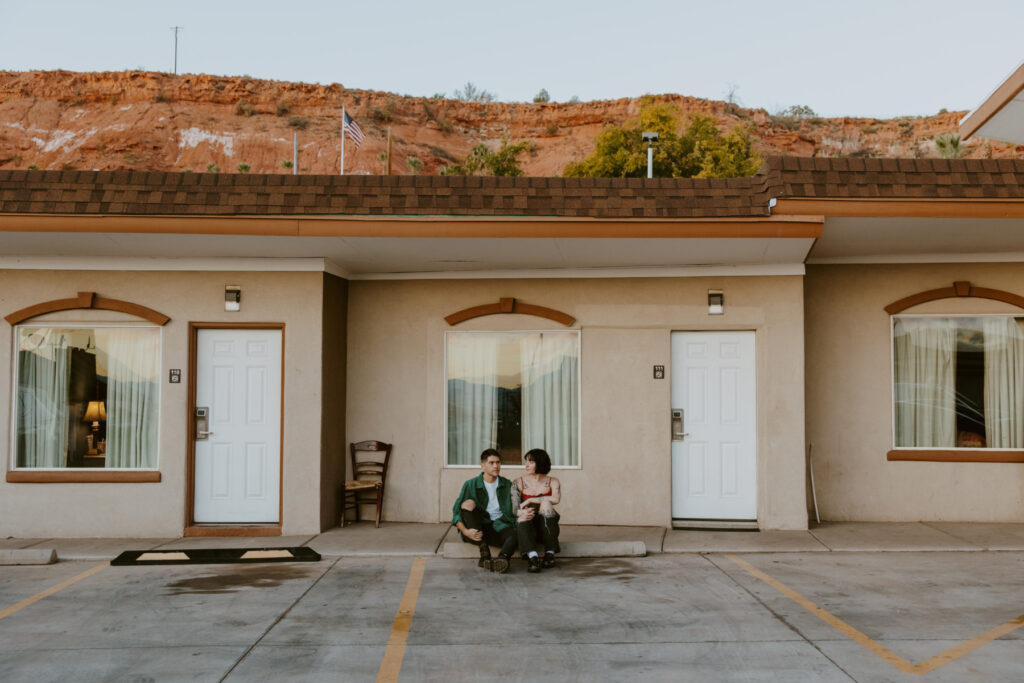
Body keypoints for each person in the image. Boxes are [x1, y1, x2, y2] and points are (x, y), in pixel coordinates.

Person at [452, 448, 518, 573]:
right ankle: (484, 552)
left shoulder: (507, 484)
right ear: (483, 466)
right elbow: (456, 513)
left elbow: (515, 508)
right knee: (467, 503)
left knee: (516, 534)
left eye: (498, 462)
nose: (496, 466)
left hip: (500, 526)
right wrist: (465, 532)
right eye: (491, 463)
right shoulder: (470, 484)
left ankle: (502, 559)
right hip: (478, 528)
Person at [512, 448, 561, 573]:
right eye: (526, 461)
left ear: (540, 463)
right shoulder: (518, 482)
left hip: (546, 525)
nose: (526, 465)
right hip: (527, 524)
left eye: (531, 462)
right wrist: (523, 511)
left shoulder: (553, 481)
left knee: (546, 504)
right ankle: (532, 557)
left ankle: (549, 554)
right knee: (523, 514)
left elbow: (555, 499)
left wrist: (530, 500)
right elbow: (515, 509)